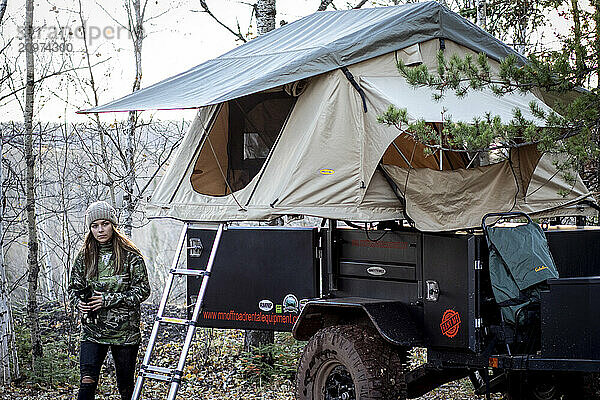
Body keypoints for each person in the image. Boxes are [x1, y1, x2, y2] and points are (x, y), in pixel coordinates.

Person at [69, 201, 150, 400]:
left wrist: (108, 299)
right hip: (92, 332)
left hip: (124, 333)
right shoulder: (85, 257)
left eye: (104, 224)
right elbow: (74, 289)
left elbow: (143, 291)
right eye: (94, 226)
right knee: (86, 383)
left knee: (125, 387)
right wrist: (78, 302)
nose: (100, 230)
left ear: (113, 225)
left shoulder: (131, 256)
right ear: (90, 229)